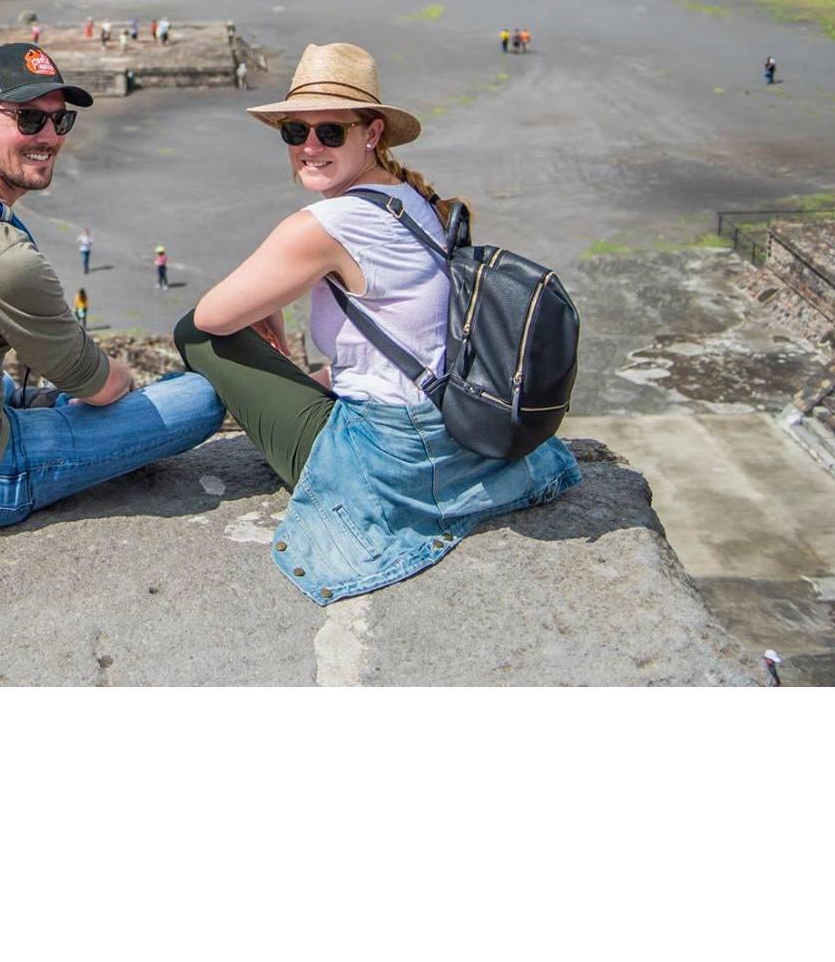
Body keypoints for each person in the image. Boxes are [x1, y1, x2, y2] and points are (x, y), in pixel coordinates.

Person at [173, 42, 581, 604]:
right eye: (296, 132)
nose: (310, 147)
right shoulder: (410, 196)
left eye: (330, 132)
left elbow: (211, 318)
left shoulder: (322, 225)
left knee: (191, 334)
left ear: (372, 134)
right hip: (459, 427)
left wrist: (274, 310)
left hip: (394, 454)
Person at [0, 43, 223, 529]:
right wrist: (124, 379)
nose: (48, 136)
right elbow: (98, 385)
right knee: (201, 399)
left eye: (59, 120)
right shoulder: (2, 258)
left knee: (0, 381)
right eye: (28, 119)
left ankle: (29, 408)